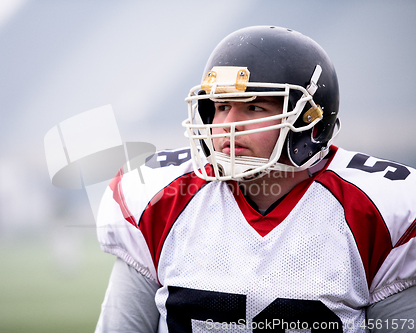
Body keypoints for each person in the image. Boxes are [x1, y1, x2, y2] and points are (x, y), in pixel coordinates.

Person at [94, 26, 416, 332]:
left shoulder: (377, 210)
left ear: (311, 124)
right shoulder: (161, 196)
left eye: (254, 107)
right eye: (221, 106)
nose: (228, 125)